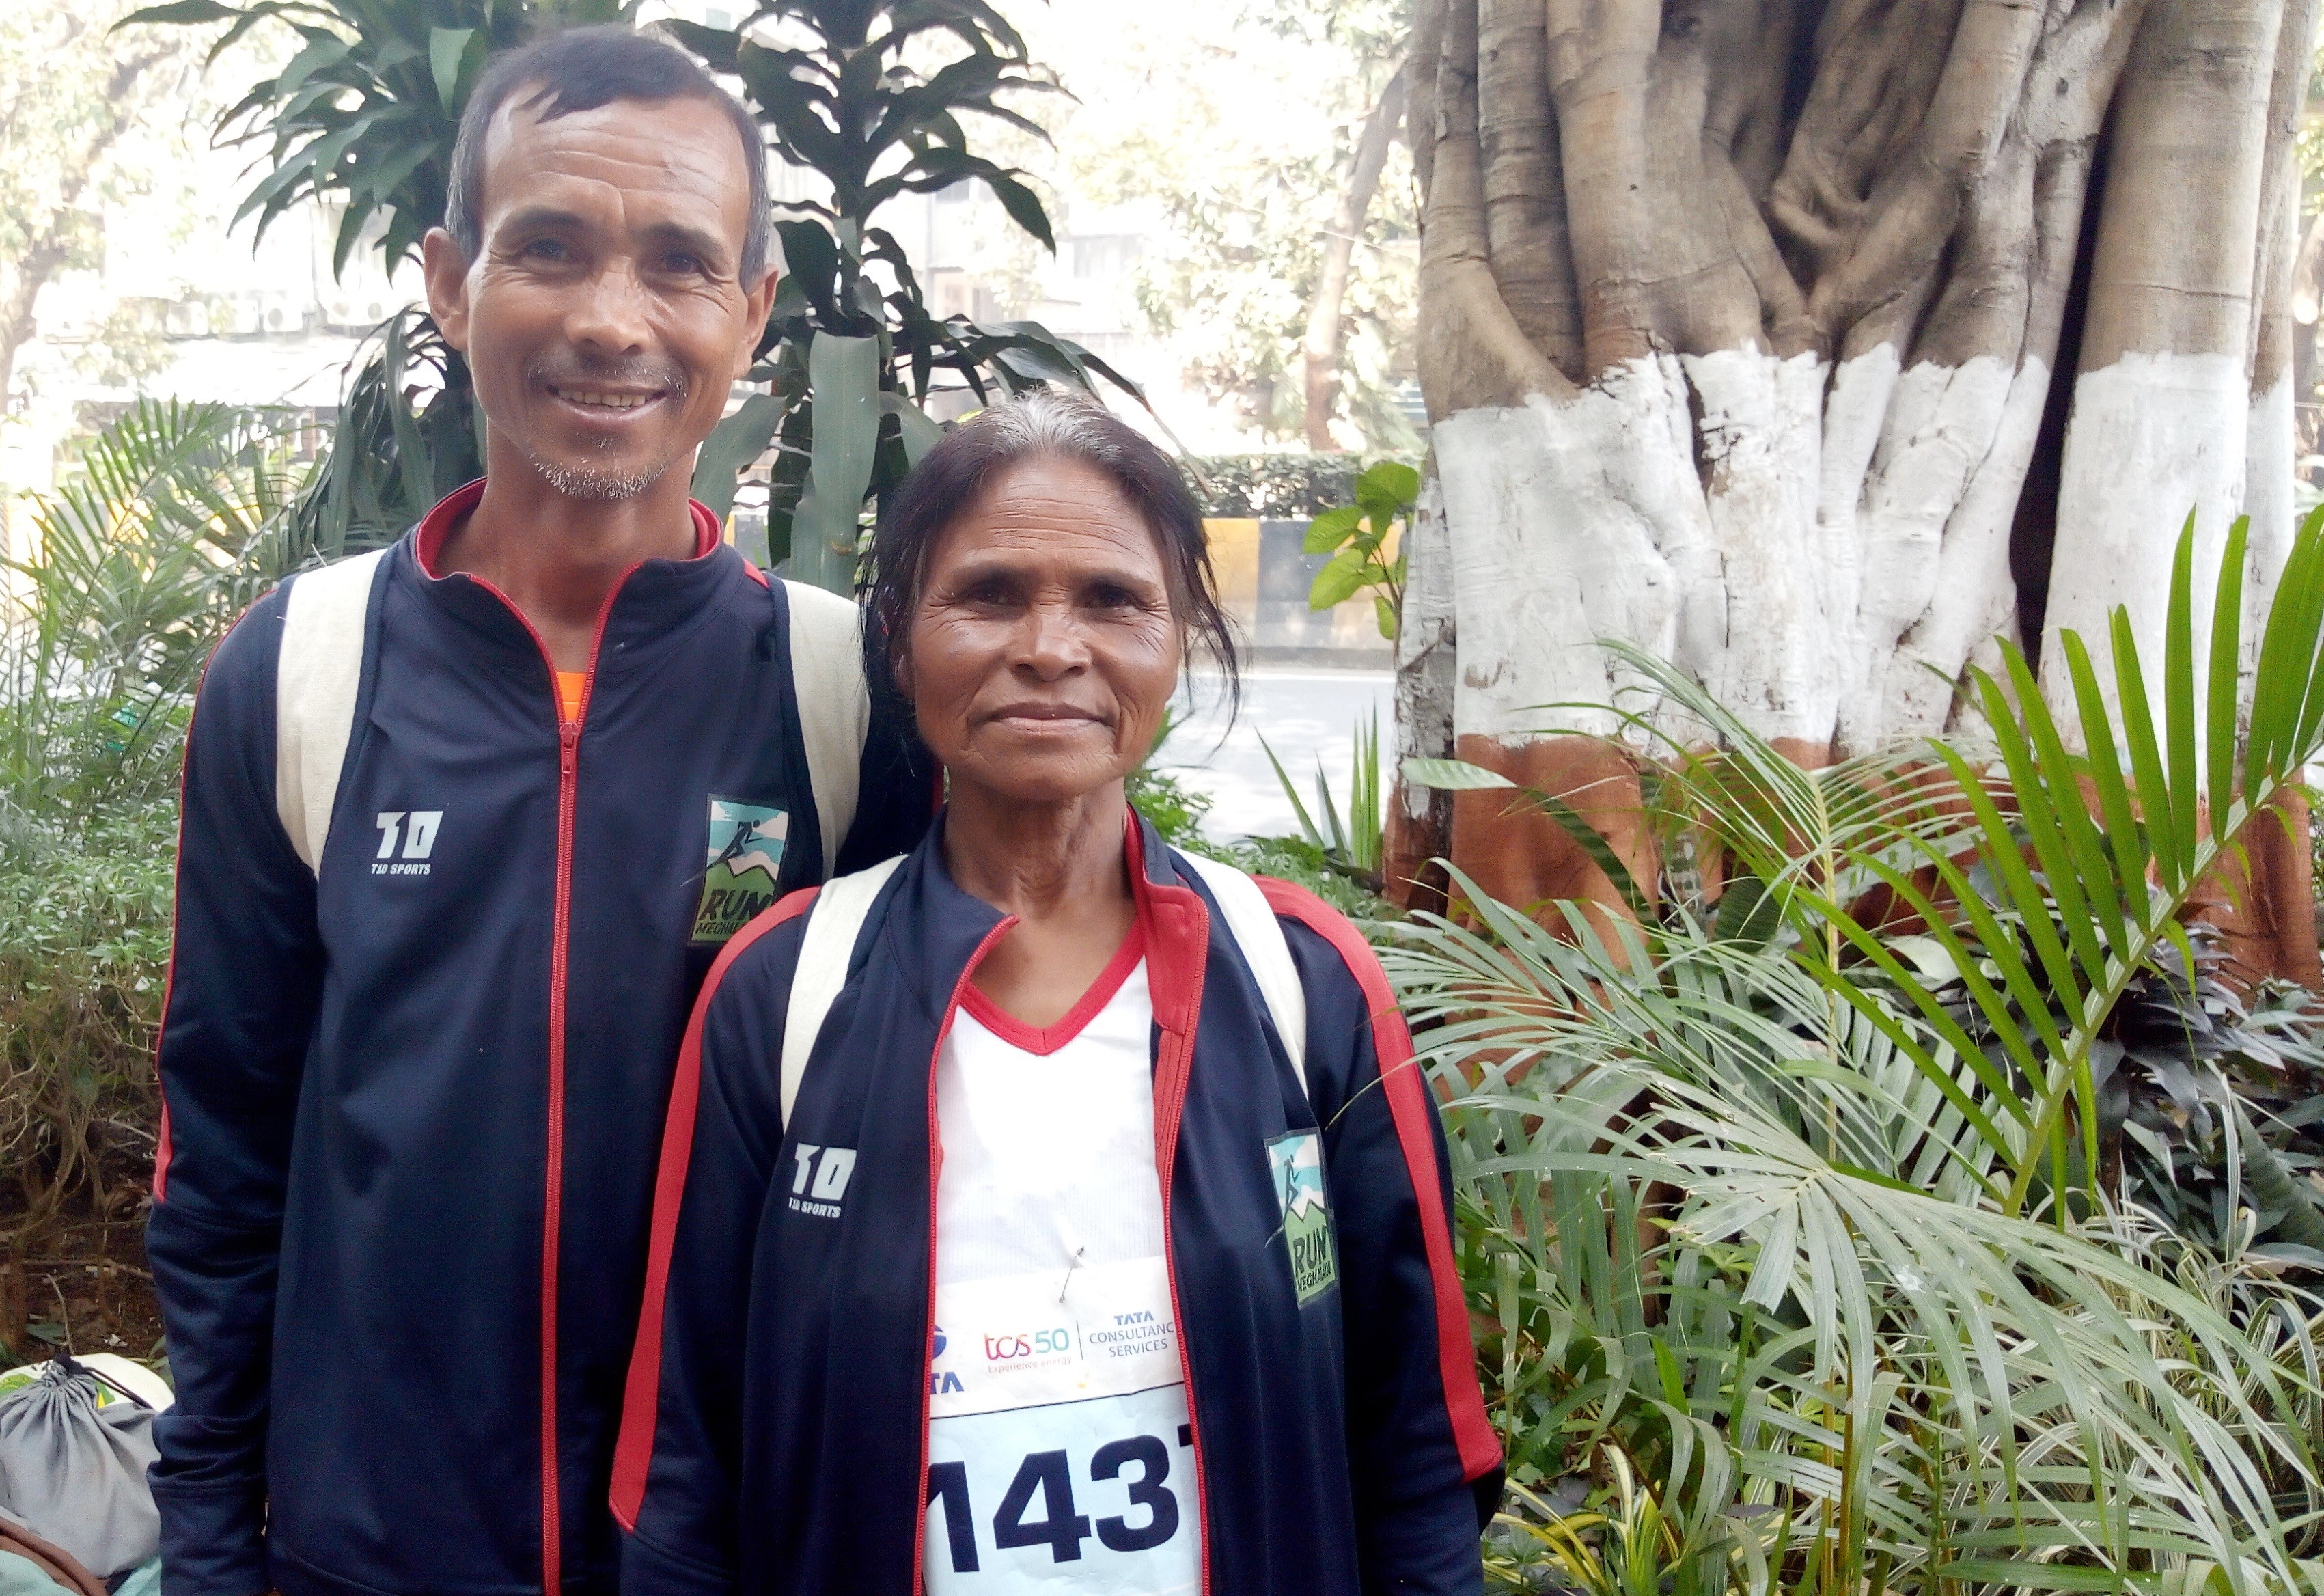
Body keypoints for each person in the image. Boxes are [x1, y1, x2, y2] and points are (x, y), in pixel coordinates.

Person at [145, 27, 932, 1596]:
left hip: (719, 1554)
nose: (609, 320)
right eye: (549, 248)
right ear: (450, 283)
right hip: (366, 1552)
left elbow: (917, 1154)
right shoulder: (301, 668)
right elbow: (221, 1149)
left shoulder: (846, 692)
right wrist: (213, 1545)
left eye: (679, 262)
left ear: (753, 310)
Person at [609, 389, 1504, 1595]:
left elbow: (1418, 1456)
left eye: (1112, 599)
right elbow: (685, 1471)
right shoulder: (782, 992)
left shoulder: (1302, 978)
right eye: (987, 594)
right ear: (898, 639)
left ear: (1179, 637)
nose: (1048, 646)